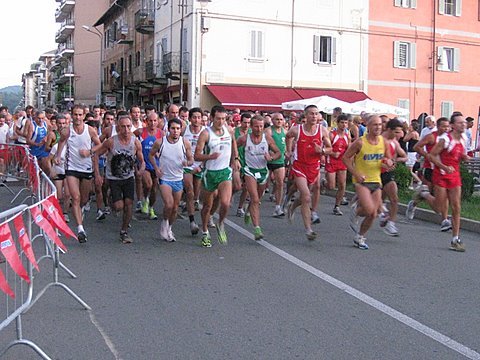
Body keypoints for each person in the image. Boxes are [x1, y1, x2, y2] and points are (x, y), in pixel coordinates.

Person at [406, 113, 469, 252]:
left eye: (464, 122)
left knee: (456, 206)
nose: (463, 125)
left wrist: (464, 157)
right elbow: (432, 155)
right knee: (440, 208)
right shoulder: (444, 140)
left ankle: (455, 239)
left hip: (454, 175)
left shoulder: (464, 138)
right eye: (460, 123)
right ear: (453, 126)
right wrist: (444, 167)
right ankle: (424, 194)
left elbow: (459, 155)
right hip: (440, 174)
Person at [343, 114, 394, 250]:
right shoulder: (360, 142)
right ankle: (356, 211)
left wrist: (388, 162)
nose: (378, 127)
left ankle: (360, 236)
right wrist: (356, 173)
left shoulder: (384, 142)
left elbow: (388, 159)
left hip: (376, 180)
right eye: (374, 124)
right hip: (362, 181)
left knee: (374, 213)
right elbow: (346, 158)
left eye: (379, 125)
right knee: (370, 209)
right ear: (368, 126)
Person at [194, 105, 240, 247]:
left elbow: (233, 144)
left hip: (225, 172)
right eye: (218, 118)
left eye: (223, 118)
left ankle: (221, 224)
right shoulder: (205, 134)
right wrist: (209, 156)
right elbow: (197, 155)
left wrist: (236, 159)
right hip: (210, 174)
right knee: (207, 206)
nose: (221, 121)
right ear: (212, 118)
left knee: (225, 203)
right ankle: (205, 232)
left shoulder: (229, 130)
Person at [95, 116, 145, 244]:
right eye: (123, 126)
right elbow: (96, 155)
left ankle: (124, 231)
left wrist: (140, 170)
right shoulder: (111, 142)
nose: (126, 129)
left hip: (129, 177)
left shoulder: (135, 142)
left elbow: (141, 160)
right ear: (118, 128)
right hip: (114, 177)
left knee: (129, 204)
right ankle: (112, 200)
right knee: (118, 206)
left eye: (128, 126)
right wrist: (97, 175)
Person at [285, 105, 332, 240]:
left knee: (306, 196)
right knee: (306, 196)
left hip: (314, 168)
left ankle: (292, 206)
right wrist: (288, 151)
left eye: (316, 114)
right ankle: (308, 229)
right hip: (299, 166)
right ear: (305, 116)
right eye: (311, 114)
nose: (314, 116)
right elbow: (288, 137)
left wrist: (322, 151)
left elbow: (330, 148)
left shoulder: (322, 131)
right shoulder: (297, 130)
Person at [56, 105, 102, 243]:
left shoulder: (90, 130)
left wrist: (90, 152)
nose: (77, 117)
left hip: (86, 168)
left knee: (83, 199)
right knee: (75, 197)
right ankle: (80, 229)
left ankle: (80, 210)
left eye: (80, 115)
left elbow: (100, 145)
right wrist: (58, 155)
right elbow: (61, 142)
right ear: (72, 115)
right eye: (75, 114)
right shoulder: (67, 131)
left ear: (83, 116)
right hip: (71, 167)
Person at [237, 115, 280, 240]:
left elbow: (278, 152)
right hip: (249, 170)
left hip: (262, 171)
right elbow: (233, 147)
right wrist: (235, 159)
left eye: (261, 126)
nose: (259, 129)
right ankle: (257, 229)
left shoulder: (267, 138)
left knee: (257, 199)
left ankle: (250, 211)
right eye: (256, 126)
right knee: (255, 199)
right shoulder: (244, 139)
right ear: (251, 126)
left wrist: (271, 158)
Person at [150, 118, 194, 242]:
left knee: (175, 208)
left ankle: (169, 228)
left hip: (178, 178)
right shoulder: (160, 142)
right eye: (173, 128)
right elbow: (151, 155)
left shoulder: (185, 143)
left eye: (178, 129)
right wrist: (156, 168)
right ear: (168, 129)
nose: (175, 131)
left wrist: (187, 162)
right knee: (168, 204)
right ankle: (164, 222)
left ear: (181, 130)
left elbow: (191, 159)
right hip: (165, 178)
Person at [411, 117, 452, 231]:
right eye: (444, 126)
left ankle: (444, 220)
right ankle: (417, 200)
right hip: (431, 168)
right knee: (433, 200)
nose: (446, 128)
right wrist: (426, 154)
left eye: (448, 126)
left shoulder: (449, 138)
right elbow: (416, 146)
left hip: (443, 170)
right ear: (438, 126)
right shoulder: (431, 136)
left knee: (445, 196)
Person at [379, 118, 408, 236]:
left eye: (400, 132)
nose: (399, 135)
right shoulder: (379, 140)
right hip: (374, 173)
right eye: (396, 132)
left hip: (387, 173)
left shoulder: (394, 142)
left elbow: (404, 156)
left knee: (394, 199)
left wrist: (395, 160)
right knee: (375, 202)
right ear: (389, 129)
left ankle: (391, 223)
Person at [135, 111, 163, 220]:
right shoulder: (140, 132)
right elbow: (130, 139)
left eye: (155, 120)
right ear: (146, 121)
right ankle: (145, 199)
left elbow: (166, 148)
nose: (152, 123)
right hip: (144, 164)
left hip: (156, 165)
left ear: (158, 121)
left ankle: (151, 208)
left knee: (155, 189)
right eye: (150, 121)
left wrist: (160, 153)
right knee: (148, 184)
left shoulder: (161, 134)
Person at [182, 107, 205, 235]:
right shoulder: (184, 131)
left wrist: (203, 164)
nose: (196, 120)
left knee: (196, 194)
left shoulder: (205, 132)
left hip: (200, 165)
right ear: (190, 118)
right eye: (194, 117)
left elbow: (209, 150)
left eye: (199, 117)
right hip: (187, 165)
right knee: (190, 191)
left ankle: (192, 203)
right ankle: (192, 222)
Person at [324, 114, 350, 216]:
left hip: (342, 162)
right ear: (337, 123)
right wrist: (332, 153)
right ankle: (323, 183)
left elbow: (350, 149)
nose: (344, 125)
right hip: (331, 162)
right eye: (342, 123)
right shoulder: (332, 135)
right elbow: (325, 149)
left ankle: (337, 206)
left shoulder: (347, 137)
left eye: (346, 123)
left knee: (342, 185)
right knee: (331, 186)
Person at [265, 112, 287, 217]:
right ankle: (253, 203)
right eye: (277, 119)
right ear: (272, 121)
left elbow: (287, 145)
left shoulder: (285, 132)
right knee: (263, 184)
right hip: (267, 161)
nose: (279, 121)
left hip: (279, 161)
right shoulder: (269, 131)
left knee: (280, 183)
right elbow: (263, 143)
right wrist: (268, 152)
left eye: (281, 120)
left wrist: (287, 152)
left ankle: (278, 207)